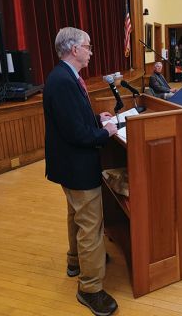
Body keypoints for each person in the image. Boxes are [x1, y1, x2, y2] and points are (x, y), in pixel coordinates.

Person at [43, 27, 118, 316]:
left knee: (76, 215)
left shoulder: (65, 77)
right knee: (90, 226)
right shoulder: (63, 81)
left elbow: (75, 119)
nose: (90, 51)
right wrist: (105, 132)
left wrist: (97, 118)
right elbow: (76, 133)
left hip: (69, 164)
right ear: (74, 49)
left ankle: (76, 262)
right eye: (88, 46)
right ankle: (90, 288)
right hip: (77, 164)